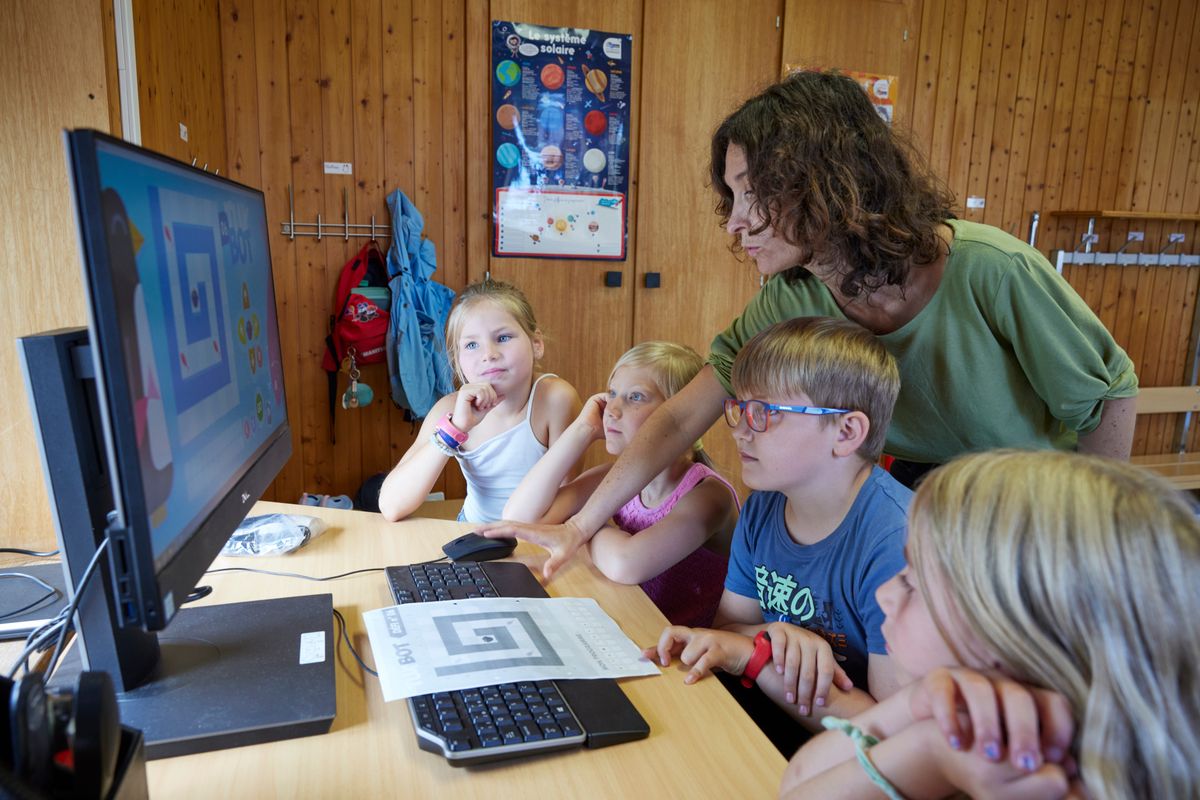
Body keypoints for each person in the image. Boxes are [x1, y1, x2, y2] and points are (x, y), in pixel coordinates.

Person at [480, 69, 1138, 580]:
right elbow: (682, 418)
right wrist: (577, 527)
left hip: (1029, 499)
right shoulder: (794, 295)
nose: (735, 222)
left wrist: (1086, 541)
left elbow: (1108, 397)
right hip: (920, 492)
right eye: (730, 197)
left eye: (750, 192)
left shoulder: (991, 269)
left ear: (820, 180)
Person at [779, 449, 1200, 799]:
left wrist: (928, 759)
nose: (885, 594)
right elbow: (797, 783)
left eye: (913, 581)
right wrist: (915, 718)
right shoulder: (955, 729)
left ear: (1012, 635)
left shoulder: (1036, 783)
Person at [641, 318, 910, 741]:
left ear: (846, 432)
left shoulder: (897, 543)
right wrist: (769, 636)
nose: (740, 430)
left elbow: (892, 737)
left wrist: (757, 655)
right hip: (767, 725)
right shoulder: (765, 505)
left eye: (764, 412)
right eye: (739, 408)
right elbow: (728, 630)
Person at [495, 341, 739, 628]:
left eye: (635, 397)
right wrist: (582, 429)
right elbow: (521, 516)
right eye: (612, 393)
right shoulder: (616, 479)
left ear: (679, 415)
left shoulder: (709, 496)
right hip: (634, 626)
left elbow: (626, 563)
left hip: (688, 656)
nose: (612, 408)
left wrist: (578, 528)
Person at [378, 280, 580, 523]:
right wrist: (455, 429)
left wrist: (514, 542)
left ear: (536, 344)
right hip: (473, 534)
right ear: (458, 359)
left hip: (538, 534)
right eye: (472, 345)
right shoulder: (449, 409)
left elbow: (568, 499)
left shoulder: (556, 400)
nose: (489, 354)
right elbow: (391, 505)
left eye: (503, 337)